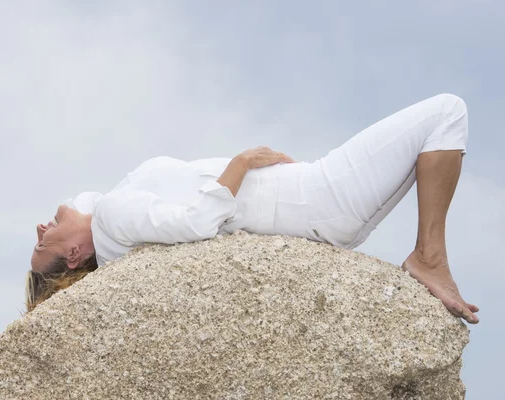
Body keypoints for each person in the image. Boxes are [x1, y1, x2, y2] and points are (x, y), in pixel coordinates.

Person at [26, 93, 479, 325]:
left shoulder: (108, 220)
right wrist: (240, 163)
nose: (42, 227)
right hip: (316, 196)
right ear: (71, 257)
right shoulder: (111, 221)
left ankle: (429, 257)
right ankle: (429, 258)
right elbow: (197, 222)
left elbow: (80, 204)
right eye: (40, 241)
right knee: (446, 113)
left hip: (315, 203)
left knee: (437, 124)